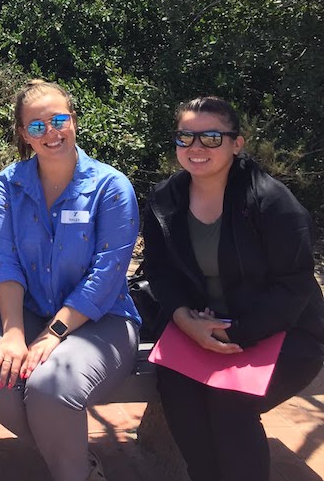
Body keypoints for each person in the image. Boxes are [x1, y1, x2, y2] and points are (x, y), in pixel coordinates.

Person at [141, 96, 324, 481]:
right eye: (185, 137)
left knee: (229, 403)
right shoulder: (165, 198)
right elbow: (158, 271)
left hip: (282, 331)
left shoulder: (272, 202)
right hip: (201, 326)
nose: (196, 148)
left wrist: (235, 333)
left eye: (211, 137)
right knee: (178, 392)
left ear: (236, 144)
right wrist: (183, 318)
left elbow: (294, 286)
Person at [0, 79, 140, 481]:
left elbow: (107, 274)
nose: (51, 132)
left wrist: (54, 333)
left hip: (102, 319)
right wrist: (12, 332)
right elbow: (6, 261)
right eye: (37, 126)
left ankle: (73, 474)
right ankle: (77, 462)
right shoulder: (8, 185)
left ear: (74, 121)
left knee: (50, 387)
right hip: (23, 310)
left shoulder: (110, 187)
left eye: (59, 119)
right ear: (23, 134)